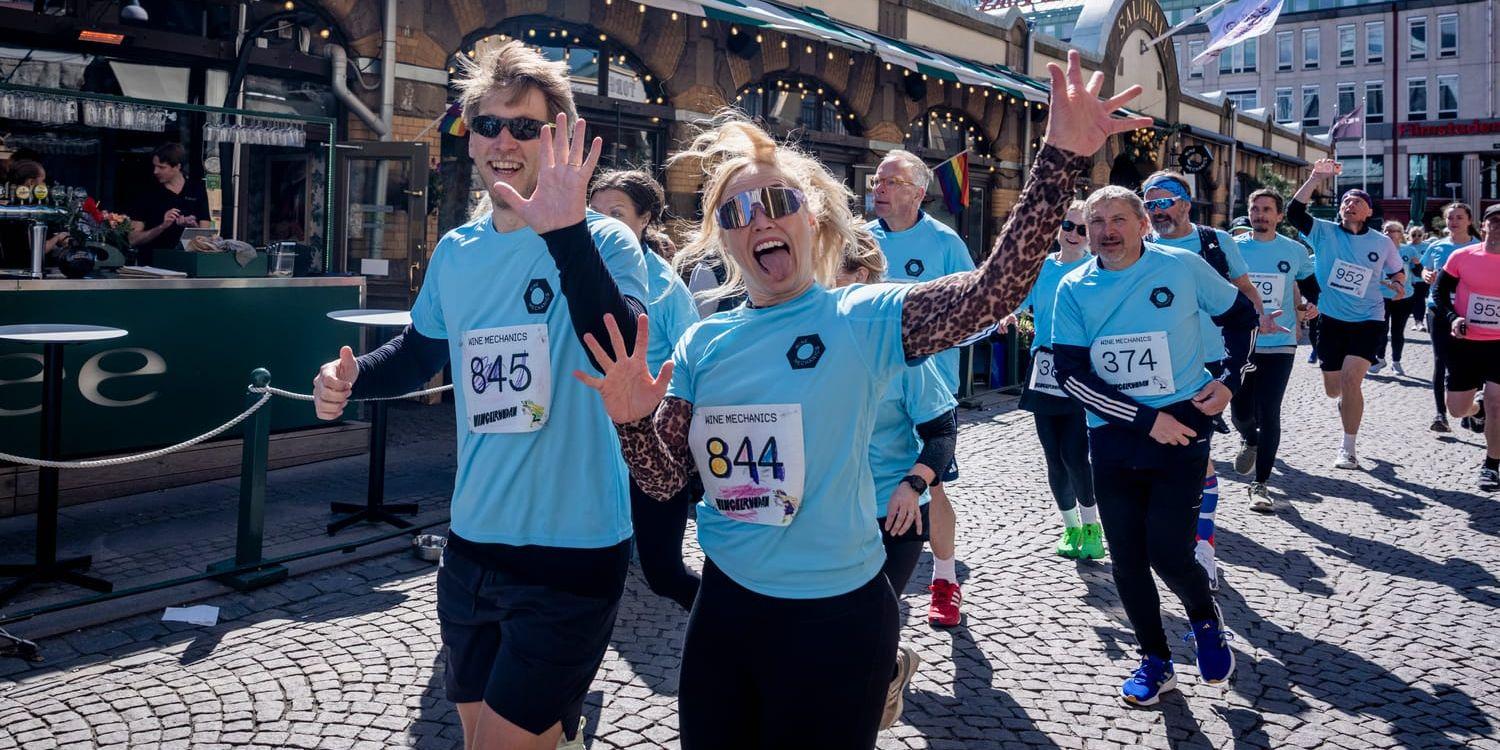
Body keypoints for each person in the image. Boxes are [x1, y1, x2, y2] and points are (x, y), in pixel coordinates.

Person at [577, 50, 1149, 747]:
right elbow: (666, 479)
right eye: (737, 210)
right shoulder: (705, 345)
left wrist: (1059, 157)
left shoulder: (863, 318)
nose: (760, 220)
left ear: (811, 219)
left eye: (778, 201)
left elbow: (991, 294)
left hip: (837, 615)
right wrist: (633, 420)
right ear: (722, 235)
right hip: (727, 611)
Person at [311, 42, 649, 750]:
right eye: (488, 125)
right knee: (480, 736)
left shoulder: (607, 240)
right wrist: (353, 381)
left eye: (524, 127)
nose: (503, 141)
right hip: (471, 545)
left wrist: (564, 233)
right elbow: (421, 353)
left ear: (560, 137)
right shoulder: (457, 252)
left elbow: (615, 346)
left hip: (573, 547)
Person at [1051, 185, 1256, 706]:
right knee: (1126, 558)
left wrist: (1229, 379)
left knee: (1169, 552)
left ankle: (1207, 623)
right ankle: (1155, 661)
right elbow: (1072, 375)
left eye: (1118, 219)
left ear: (1143, 224)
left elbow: (1242, 316)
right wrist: (1145, 420)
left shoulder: (1181, 268)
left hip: (1185, 422)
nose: (1106, 231)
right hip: (1116, 431)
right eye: (1095, 221)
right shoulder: (1072, 287)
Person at [832, 239, 958, 729]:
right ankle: (883, 670)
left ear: (863, 276)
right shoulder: (805, 340)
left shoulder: (899, 351)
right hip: (831, 508)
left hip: (895, 509)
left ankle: (885, 673)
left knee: (868, 618)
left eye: (833, 269)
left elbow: (943, 429)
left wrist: (914, 482)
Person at [1141, 171, 1272, 590]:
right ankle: (1170, 532)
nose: (1157, 211)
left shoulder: (1215, 242)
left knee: (1197, 457)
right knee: (1158, 454)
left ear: (1185, 203)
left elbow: (1245, 290)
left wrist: (1256, 327)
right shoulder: (1140, 246)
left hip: (1209, 363)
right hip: (1154, 365)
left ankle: (1203, 545)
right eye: (1150, 204)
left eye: (1165, 202)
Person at [864, 148, 976, 627]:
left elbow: (974, 307)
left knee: (933, 487)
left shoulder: (945, 242)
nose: (878, 190)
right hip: (869, 383)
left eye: (889, 182)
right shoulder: (860, 240)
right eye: (876, 181)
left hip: (929, 390)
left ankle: (945, 581)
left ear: (917, 192)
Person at [589, 169, 702, 613]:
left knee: (663, 571)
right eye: (593, 212)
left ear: (645, 219)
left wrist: (670, 428)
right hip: (592, 432)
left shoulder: (664, 285)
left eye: (615, 214)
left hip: (647, 438)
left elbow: (693, 358)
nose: (600, 223)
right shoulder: (578, 266)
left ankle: (737, 624)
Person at [1000, 200, 1104, 559]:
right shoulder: (1041, 268)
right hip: (1043, 368)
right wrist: (1007, 315)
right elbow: (1016, 299)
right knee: (1053, 456)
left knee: (1076, 454)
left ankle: (1092, 527)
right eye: (1068, 225)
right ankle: (1070, 526)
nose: (1074, 234)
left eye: (1082, 228)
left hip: (1080, 368)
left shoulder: (1096, 270)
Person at [1289, 160, 1406, 470]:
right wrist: (1315, 178)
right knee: (1334, 389)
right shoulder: (1323, 232)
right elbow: (1294, 214)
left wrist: (1397, 285)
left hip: (1369, 319)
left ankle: (1348, 448)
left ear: (1369, 211)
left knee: (1351, 380)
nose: (1349, 205)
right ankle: (1347, 398)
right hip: (1328, 319)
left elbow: (1398, 273)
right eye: (1345, 201)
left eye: (1357, 202)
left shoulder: (1381, 243)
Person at [1229, 189, 1321, 512]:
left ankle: (1261, 484)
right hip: (1242, 342)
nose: (1260, 215)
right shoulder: (1233, 248)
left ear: (1279, 216)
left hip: (1280, 344)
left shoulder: (1294, 251)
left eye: (1268, 209)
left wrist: (1310, 306)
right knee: (1239, 411)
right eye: (1255, 209)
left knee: (1269, 412)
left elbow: (1312, 289)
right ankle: (1249, 439)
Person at [1433, 203, 1500, 490]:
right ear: (1483, 226)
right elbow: (1439, 291)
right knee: (1458, 409)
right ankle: (1477, 409)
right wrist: (1453, 317)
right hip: (1465, 343)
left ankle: (1492, 466)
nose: (1499, 225)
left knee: (1499, 404)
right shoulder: (1463, 256)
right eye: (1494, 220)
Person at [1421, 203, 1481, 433]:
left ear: (1469, 220)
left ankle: (1470, 409)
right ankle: (1440, 414)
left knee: (1471, 360)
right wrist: (1426, 274)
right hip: (1437, 308)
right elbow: (1424, 269)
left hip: (1468, 311)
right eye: (1450, 218)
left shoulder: (1479, 247)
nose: (1454, 222)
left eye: (1459, 217)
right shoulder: (1437, 246)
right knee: (1440, 360)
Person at [126, 142, 211, 265]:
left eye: (161, 167)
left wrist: (193, 227)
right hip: (152, 265)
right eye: (154, 166)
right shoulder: (147, 192)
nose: (155, 171)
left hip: (188, 264)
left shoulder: (196, 190)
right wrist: (162, 226)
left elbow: (205, 239)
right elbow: (133, 239)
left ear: (177, 167)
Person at [1370, 221, 1422, 376]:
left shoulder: (1409, 250)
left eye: (1392, 230)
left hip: (1404, 297)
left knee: (1398, 331)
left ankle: (1396, 362)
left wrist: (1423, 270)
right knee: (1381, 329)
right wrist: (1388, 283)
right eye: (1385, 230)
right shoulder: (1376, 250)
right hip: (1381, 295)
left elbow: (1418, 271)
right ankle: (1380, 358)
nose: (1388, 233)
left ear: (1400, 234)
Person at [0, 160, 69, 268]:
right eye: (43, 181)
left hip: (9, 268)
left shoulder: (9, 204)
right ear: (31, 183)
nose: (45, 185)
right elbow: (38, 249)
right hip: (28, 270)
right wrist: (58, 238)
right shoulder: (32, 209)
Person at [1408, 225, 1431, 331]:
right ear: (1409, 235)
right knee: (1413, 300)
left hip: (1423, 279)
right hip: (1409, 279)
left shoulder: (1427, 246)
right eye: (1413, 235)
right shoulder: (1406, 247)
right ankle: (1417, 321)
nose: (1416, 237)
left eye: (1419, 235)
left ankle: (1420, 321)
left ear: (1423, 236)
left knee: (1420, 300)